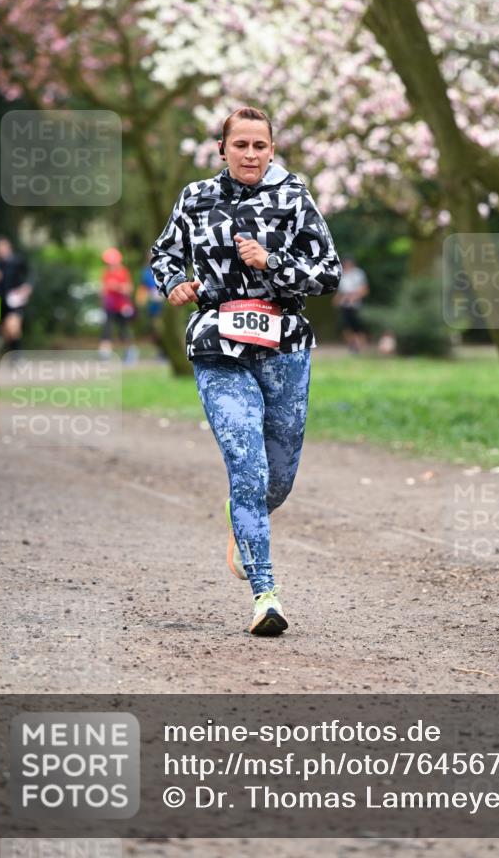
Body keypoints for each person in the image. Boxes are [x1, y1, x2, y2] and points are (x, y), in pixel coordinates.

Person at [151, 106, 341, 636]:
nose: (251, 154)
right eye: (241, 145)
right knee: (248, 466)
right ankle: (266, 596)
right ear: (222, 150)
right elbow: (164, 253)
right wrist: (175, 284)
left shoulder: (294, 199)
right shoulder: (195, 198)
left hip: (284, 348)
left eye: (260, 145)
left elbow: (329, 274)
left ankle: (243, 520)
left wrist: (271, 263)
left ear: (272, 150)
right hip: (218, 345)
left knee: (276, 480)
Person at [0, 237, 32, 355]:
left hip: (15, 299)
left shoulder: (18, 260)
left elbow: (30, 273)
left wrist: (27, 286)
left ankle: (17, 354)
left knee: (13, 325)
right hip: (0, 300)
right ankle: (11, 351)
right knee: (5, 330)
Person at [99, 248, 137, 361]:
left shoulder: (123, 272)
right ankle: (104, 354)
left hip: (122, 306)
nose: (110, 264)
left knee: (123, 330)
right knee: (107, 329)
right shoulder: (106, 273)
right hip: (109, 306)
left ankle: (130, 352)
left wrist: (116, 286)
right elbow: (103, 289)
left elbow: (129, 289)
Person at [333, 256, 369, 352]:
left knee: (357, 326)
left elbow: (364, 289)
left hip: (355, 304)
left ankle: (360, 346)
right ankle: (352, 345)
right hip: (344, 304)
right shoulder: (342, 274)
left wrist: (354, 296)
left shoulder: (358, 274)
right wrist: (337, 299)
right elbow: (341, 291)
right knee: (345, 326)